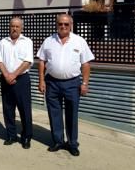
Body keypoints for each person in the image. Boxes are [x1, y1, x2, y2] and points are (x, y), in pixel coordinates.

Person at [37, 14, 94, 157]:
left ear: (71, 25)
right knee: (54, 113)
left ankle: (72, 143)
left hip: (72, 84)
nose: (63, 26)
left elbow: (86, 64)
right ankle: (58, 141)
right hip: (52, 83)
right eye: (60, 24)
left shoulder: (79, 41)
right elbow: (42, 61)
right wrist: (41, 81)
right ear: (56, 25)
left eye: (66, 24)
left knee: (72, 114)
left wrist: (85, 83)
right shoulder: (48, 41)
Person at [0, 17, 33, 148]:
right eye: (12, 26)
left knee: (25, 110)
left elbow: (27, 61)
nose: (14, 28)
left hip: (21, 79)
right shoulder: (3, 42)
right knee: (8, 109)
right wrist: (7, 75)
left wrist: (14, 75)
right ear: (9, 27)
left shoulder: (27, 41)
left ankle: (26, 137)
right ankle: (11, 135)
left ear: (21, 28)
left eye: (17, 26)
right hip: (5, 79)